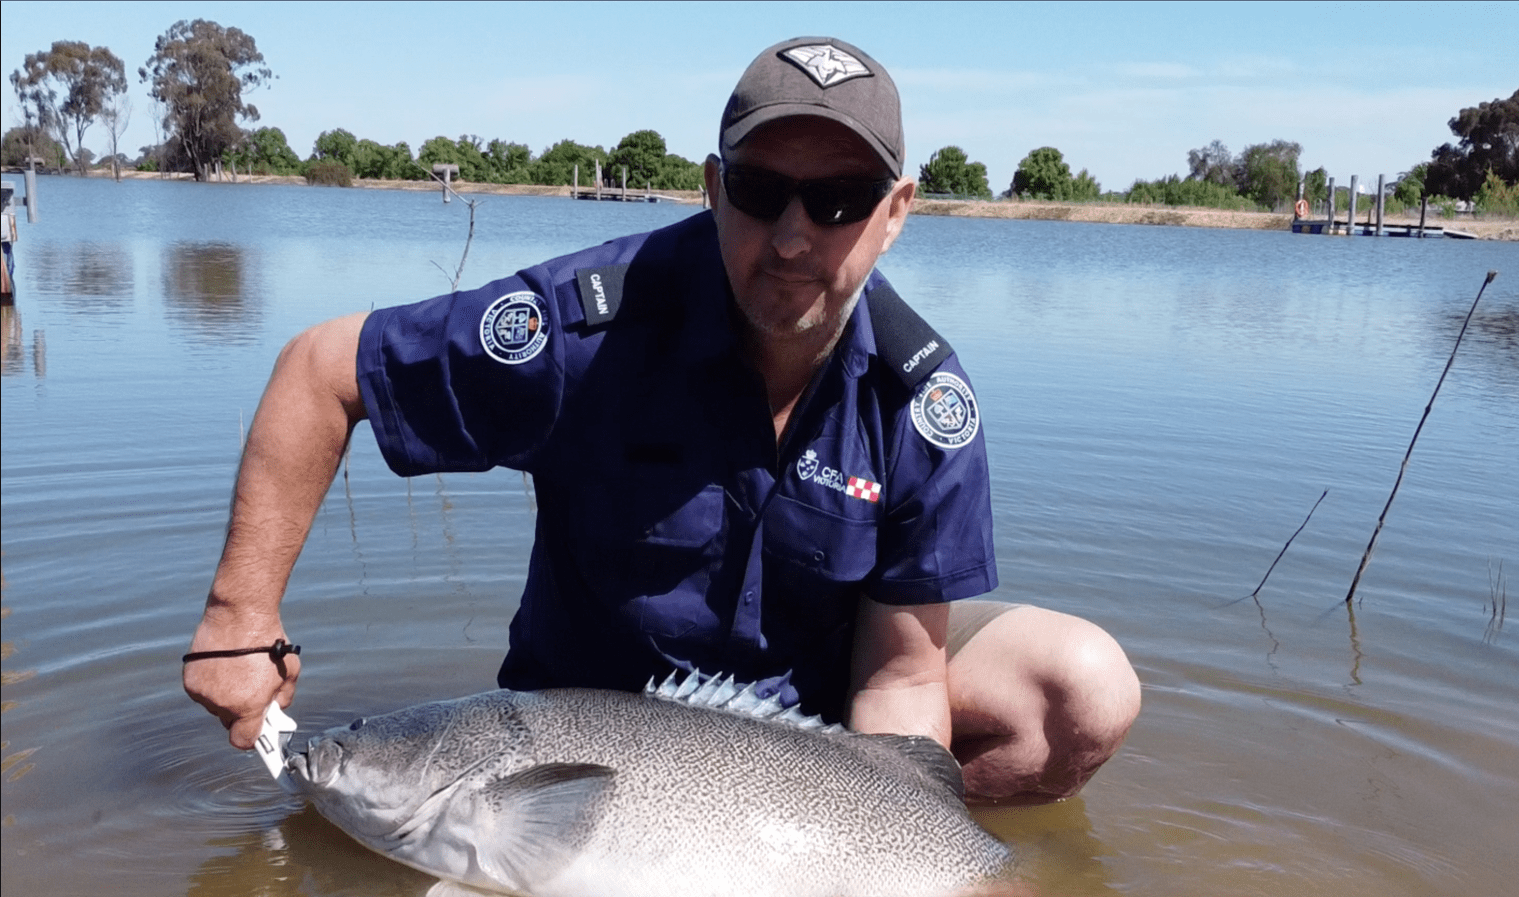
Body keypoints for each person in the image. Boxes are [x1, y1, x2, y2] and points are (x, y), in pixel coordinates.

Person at [183, 37, 1140, 805]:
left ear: (895, 214)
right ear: (715, 189)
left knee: (1081, 687)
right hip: (579, 737)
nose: (795, 235)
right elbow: (319, 371)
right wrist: (239, 616)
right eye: (763, 192)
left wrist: (879, 841)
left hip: (807, 738)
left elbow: (899, 679)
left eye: (840, 201)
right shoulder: (579, 328)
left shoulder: (922, 406)